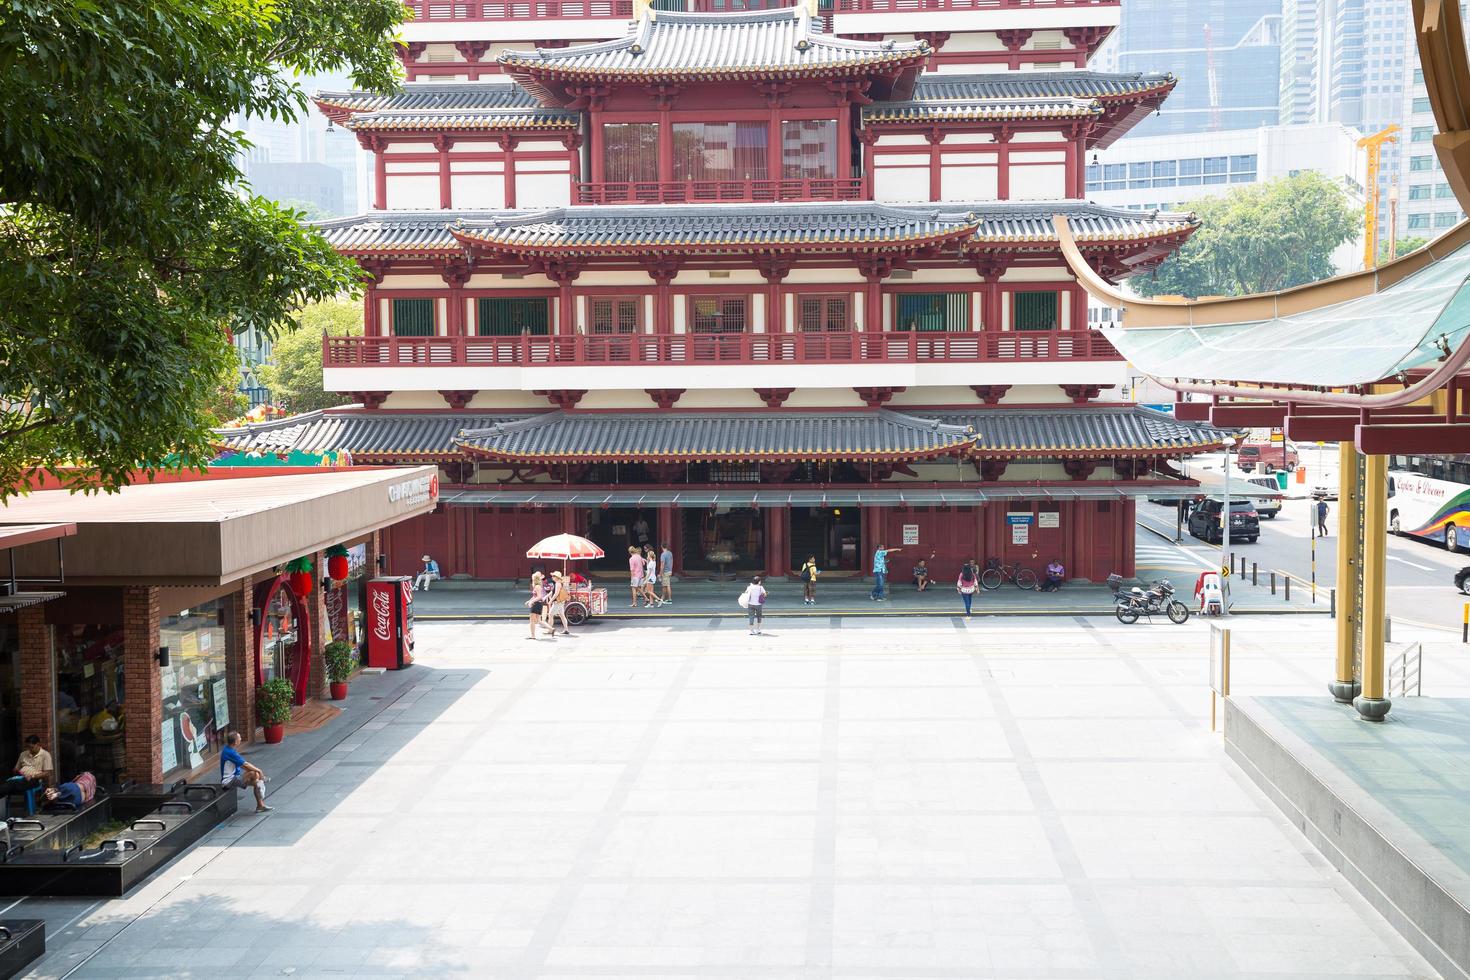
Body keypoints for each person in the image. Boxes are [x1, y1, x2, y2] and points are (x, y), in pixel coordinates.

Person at [220, 732, 271, 813]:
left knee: (255, 779)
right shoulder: (230, 752)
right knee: (255, 774)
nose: (241, 739)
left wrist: (256, 772)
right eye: (239, 738)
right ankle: (261, 785)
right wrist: (259, 771)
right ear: (235, 742)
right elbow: (245, 764)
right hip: (229, 781)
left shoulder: (228, 749)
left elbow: (243, 765)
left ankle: (260, 805)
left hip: (234, 778)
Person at [4, 735, 54, 805]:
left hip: (34, 780)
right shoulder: (23, 754)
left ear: (38, 744)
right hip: (20, 778)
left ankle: (10, 787)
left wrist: (32, 776)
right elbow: (16, 769)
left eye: (31, 747)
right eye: (28, 747)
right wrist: (18, 771)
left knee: (11, 785)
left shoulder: (45, 755)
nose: (29, 749)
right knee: (7, 785)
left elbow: (47, 773)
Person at [547, 571, 573, 636]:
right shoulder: (558, 583)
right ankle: (566, 629)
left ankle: (550, 630)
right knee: (562, 615)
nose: (552, 577)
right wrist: (546, 597)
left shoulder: (558, 584)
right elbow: (552, 592)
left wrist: (551, 601)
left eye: (553, 576)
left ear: (557, 577)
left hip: (558, 602)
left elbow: (556, 594)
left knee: (550, 614)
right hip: (560, 602)